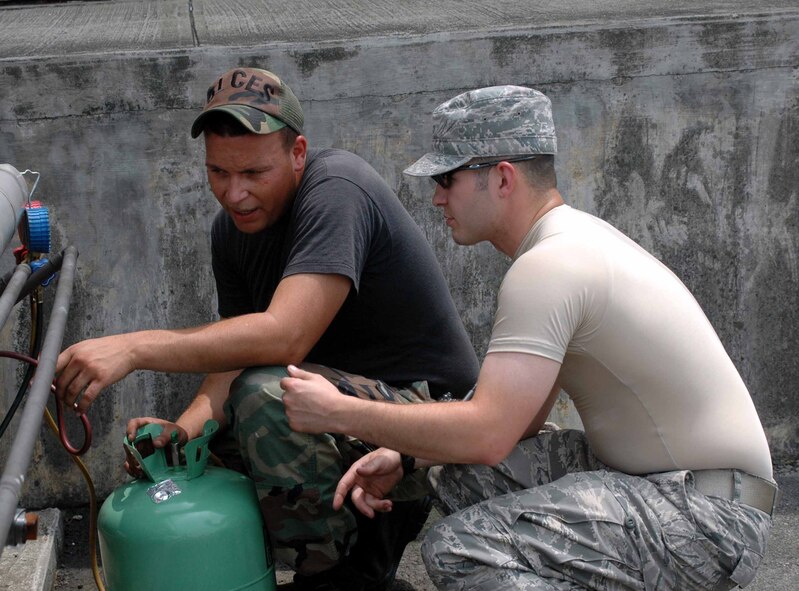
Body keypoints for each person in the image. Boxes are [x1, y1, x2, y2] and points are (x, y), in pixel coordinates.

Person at [279, 85, 778, 590]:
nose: (436, 196)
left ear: (501, 177)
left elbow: (488, 432)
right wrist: (407, 456)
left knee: (460, 548)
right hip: (679, 488)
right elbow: (521, 421)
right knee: (461, 476)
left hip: (708, 515)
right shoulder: (571, 242)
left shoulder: (550, 266)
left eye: (447, 178)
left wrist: (337, 411)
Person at [54, 67, 480, 591]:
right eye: (218, 173)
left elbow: (283, 337)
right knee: (209, 446)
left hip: (435, 423)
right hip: (345, 409)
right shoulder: (231, 233)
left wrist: (136, 347)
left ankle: (347, 574)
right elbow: (236, 355)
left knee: (264, 398)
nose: (234, 195)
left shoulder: (336, 189)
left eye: (254, 173)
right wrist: (184, 434)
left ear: (297, 153)